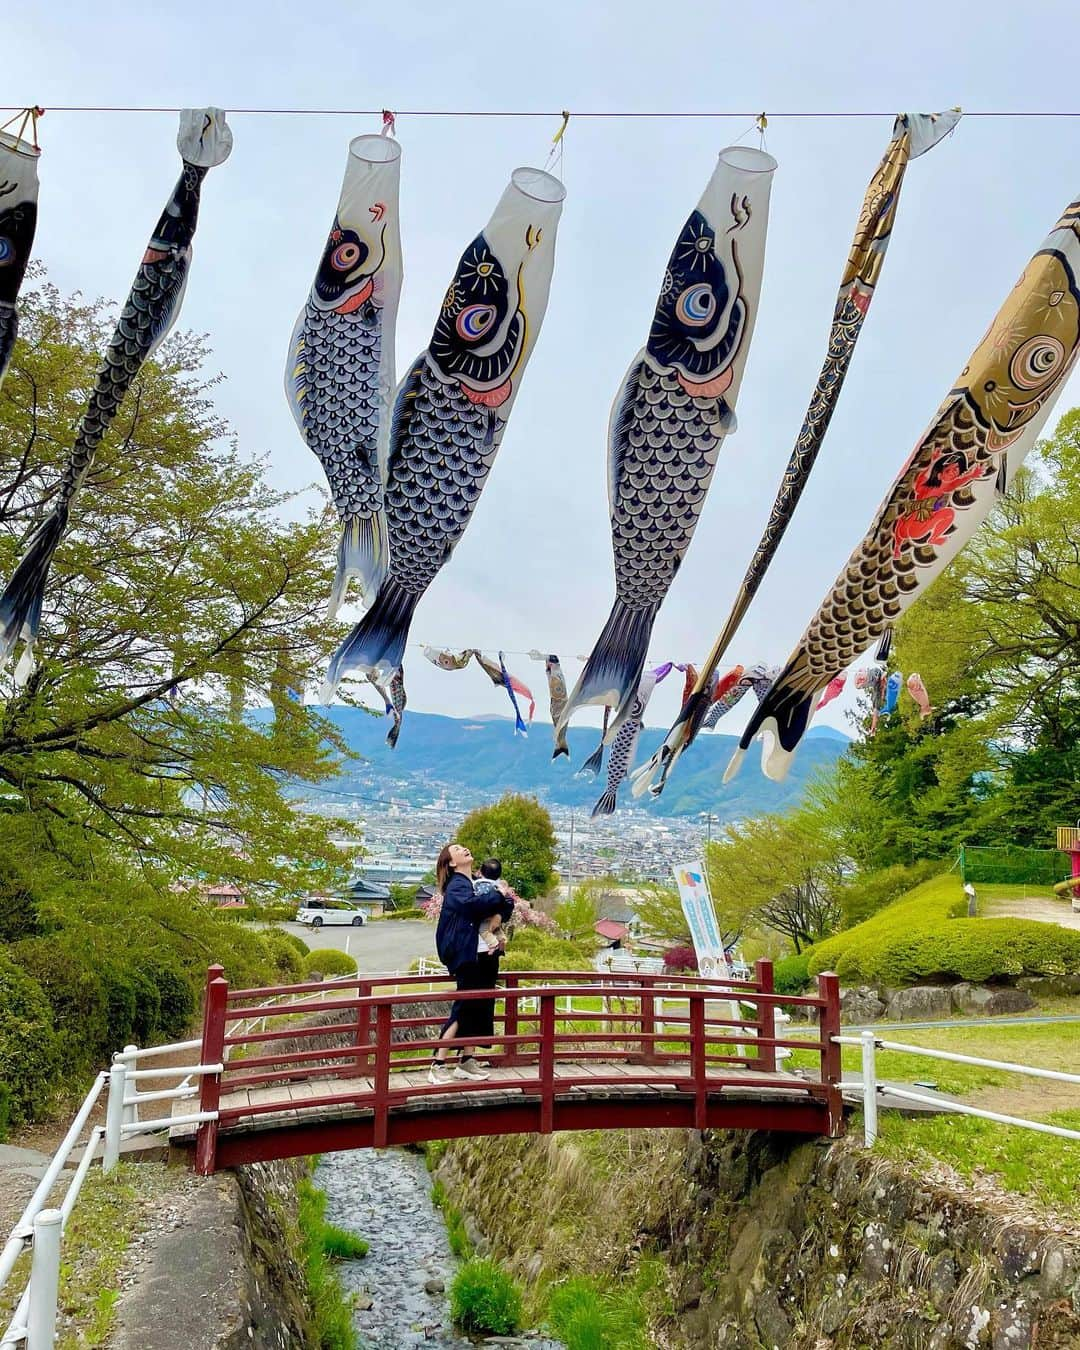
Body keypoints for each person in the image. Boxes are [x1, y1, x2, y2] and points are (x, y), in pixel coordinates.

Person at [429, 843, 513, 1085]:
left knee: (480, 1006)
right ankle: (438, 1062)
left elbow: (507, 904)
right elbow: (473, 906)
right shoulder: (456, 886)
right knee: (465, 1006)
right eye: (457, 849)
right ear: (452, 863)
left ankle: (467, 1061)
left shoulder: (477, 881)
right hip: (467, 955)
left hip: (485, 954)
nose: (464, 849)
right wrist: (498, 896)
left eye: (464, 847)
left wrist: (499, 905)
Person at [474, 858, 508, 956]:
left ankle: (493, 945)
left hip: (484, 915)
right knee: (495, 929)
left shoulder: (478, 884)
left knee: (484, 930)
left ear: (481, 872)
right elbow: (507, 900)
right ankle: (502, 939)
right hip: (495, 913)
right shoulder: (498, 885)